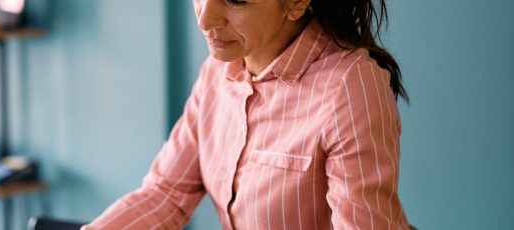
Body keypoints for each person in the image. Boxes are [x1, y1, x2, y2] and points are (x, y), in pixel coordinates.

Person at [84, 0, 410, 229]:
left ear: (296, 2)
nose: (204, 18)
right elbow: (165, 194)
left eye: (236, 0)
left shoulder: (349, 87)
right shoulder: (217, 73)